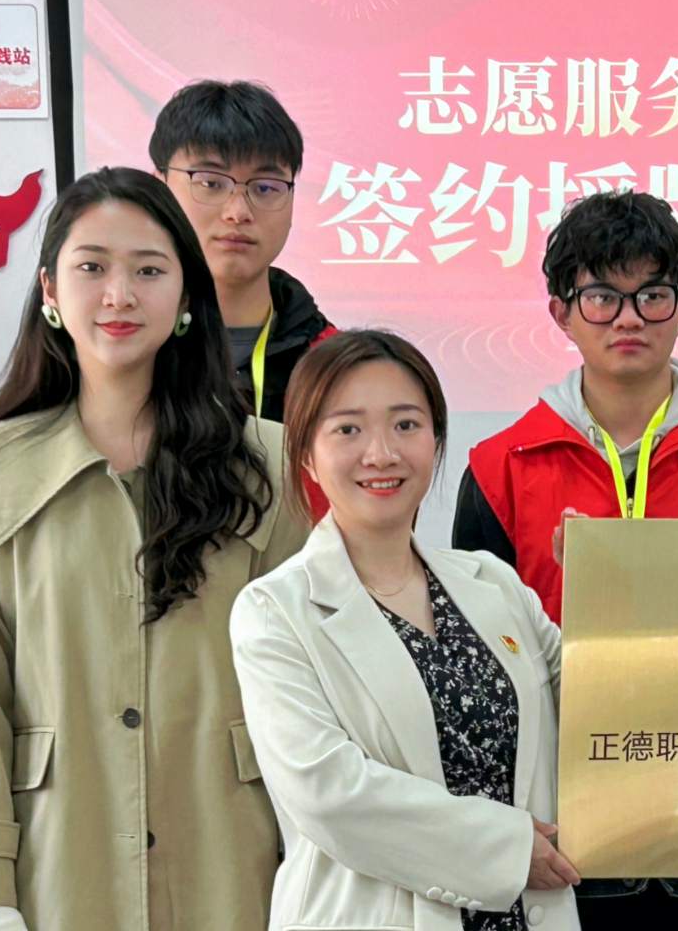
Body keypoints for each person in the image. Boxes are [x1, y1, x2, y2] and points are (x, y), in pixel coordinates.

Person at [0, 168, 312, 931]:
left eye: (149, 271)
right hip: (56, 868)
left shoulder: (269, 467)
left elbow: (315, 684)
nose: (119, 295)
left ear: (186, 298)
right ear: (50, 290)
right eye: (92, 267)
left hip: (239, 862)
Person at [452, 189, 678, 930]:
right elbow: (472, 675)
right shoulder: (499, 468)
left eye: (653, 294)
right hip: (560, 842)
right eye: (603, 296)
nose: (630, 318)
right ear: (561, 311)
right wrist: (491, 838)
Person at [230, 330, 580, 931]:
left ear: (436, 440)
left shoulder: (492, 583)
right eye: (348, 429)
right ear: (307, 455)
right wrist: (505, 850)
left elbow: (591, 709)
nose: (381, 453)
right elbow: (329, 794)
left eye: (406, 425)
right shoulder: (274, 611)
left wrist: (601, 589)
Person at [151, 78, 335, 422]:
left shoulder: (333, 366)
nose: (238, 212)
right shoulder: (122, 350)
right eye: (210, 183)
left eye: (265, 187)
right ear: (158, 188)